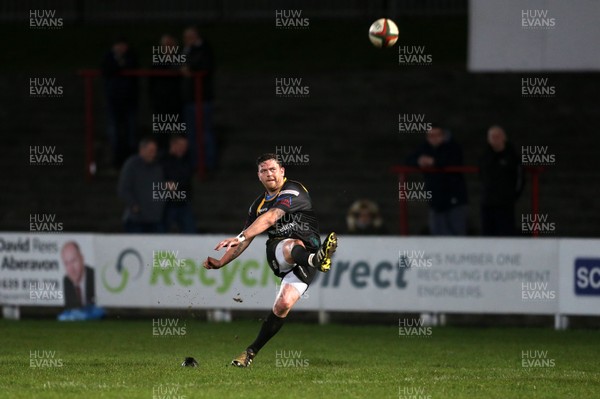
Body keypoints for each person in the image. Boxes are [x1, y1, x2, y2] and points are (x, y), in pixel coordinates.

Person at [203, 153, 338, 367]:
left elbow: (272, 217)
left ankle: (249, 353)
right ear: (258, 176)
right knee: (291, 245)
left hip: (307, 255)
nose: (269, 174)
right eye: (264, 171)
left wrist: (241, 236)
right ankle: (316, 260)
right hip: (280, 252)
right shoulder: (257, 206)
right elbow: (247, 238)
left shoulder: (294, 190)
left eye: (273, 169)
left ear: (282, 171)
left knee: (283, 305)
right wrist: (221, 262)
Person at [407, 125, 468, 235]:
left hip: (455, 199)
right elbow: (409, 159)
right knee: (438, 236)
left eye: (437, 135)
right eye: (430, 135)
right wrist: (419, 161)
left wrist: (434, 162)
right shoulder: (424, 148)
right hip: (435, 201)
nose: (433, 138)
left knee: (457, 237)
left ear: (443, 136)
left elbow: (453, 160)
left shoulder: (453, 147)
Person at [181, 26, 216, 171]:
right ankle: (196, 164)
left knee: (205, 132)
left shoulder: (203, 49)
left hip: (202, 99)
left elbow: (204, 66)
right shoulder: (187, 49)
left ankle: (208, 164)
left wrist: (189, 68)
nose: (186, 40)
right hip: (190, 98)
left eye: (189, 37)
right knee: (192, 133)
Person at [101, 37, 139, 168]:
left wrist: (119, 66)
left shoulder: (131, 56)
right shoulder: (108, 56)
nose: (121, 48)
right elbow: (107, 69)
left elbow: (131, 66)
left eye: (123, 45)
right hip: (113, 100)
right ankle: (116, 160)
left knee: (131, 132)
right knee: (114, 131)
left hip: (129, 101)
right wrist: (119, 65)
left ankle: (132, 159)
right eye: (118, 45)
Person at [479, 125, 524, 236]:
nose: (495, 139)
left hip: (505, 203)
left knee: (505, 233)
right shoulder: (484, 156)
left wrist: (512, 196)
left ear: (504, 137)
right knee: (487, 234)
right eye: (492, 136)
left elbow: (520, 178)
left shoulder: (512, 157)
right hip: (487, 202)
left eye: (497, 136)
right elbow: (482, 175)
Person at [117, 137, 165, 233]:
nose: (154, 154)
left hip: (155, 219)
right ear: (142, 150)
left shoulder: (158, 167)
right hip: (136, 219)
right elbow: (123, 189)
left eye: (155, 151)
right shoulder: (131, 165)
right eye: (151, 151)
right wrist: (133, 205)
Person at [149, 34, 183, 154]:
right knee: (161, 136)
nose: (167, 48)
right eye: (164, 45)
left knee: (177, 135)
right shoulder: (157, 60)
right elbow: (152, 82)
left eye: (169, 45)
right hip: (161, 105)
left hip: (177, 105)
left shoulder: (180, 59)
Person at [162, 135, 196, 233]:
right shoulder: (162, 160)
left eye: (185, 146)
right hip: (166, 203)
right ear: (173, 144)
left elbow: (186, 179)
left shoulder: (187, 161)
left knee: (190, 231)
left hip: (183, 202)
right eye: (181, 145)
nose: (184, 148)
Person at [61, 241, 95, 309]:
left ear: (82, 259)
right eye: (66, 263)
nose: (71, 269)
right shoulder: (67, 281)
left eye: (73, 261)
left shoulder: (94, 277)